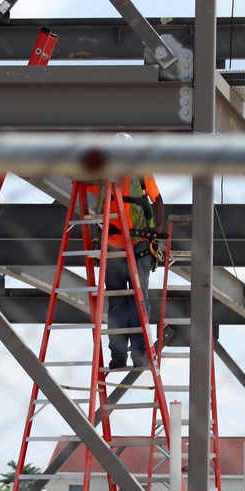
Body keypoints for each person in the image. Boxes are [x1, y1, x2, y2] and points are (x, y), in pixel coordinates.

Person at [93, 134, 164, 370]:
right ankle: (119, 354)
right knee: (116, 301)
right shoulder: (104, 173)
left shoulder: (140, 174)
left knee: (138, 299)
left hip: (139, 244)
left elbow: (157, 200)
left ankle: (140, 351)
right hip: (113, 244)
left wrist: (157, 230)